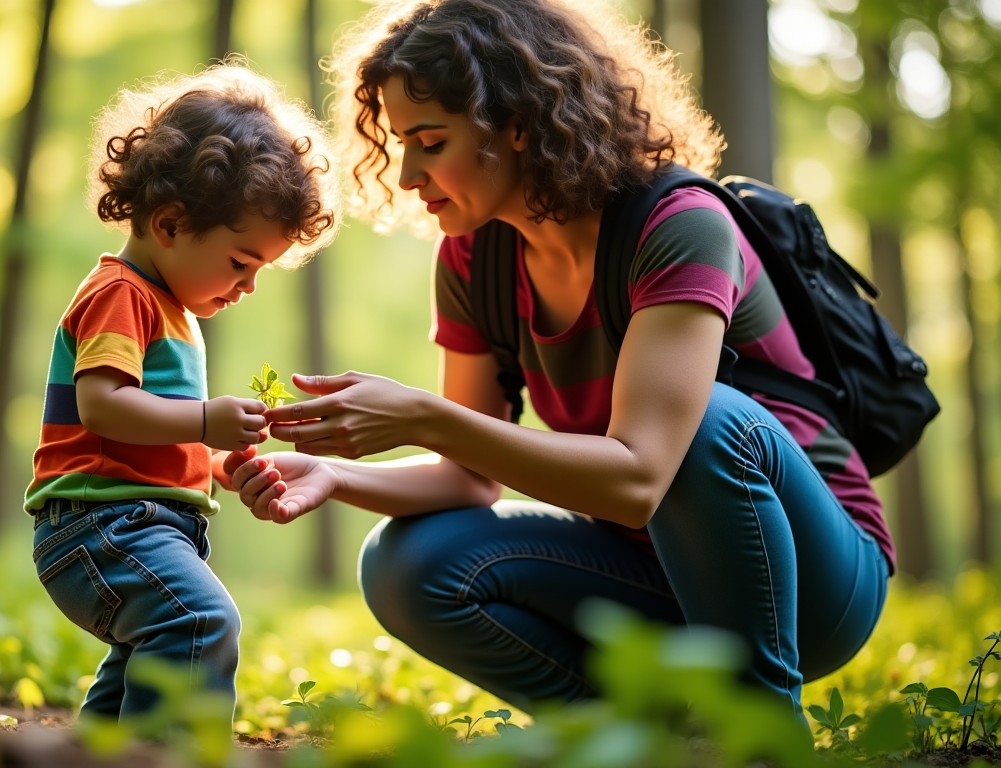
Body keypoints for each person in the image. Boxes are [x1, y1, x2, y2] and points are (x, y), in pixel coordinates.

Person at [228, 0, 891, 715]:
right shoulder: (474, 255)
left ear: (516, 125)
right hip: (648, 574)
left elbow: (640, 477)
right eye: (401, 142)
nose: (409, 173)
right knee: (405, 564)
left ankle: (759, 735)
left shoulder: (678, 226)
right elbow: (469, 476)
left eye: (430, 140)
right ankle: (631, 741)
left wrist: (422, 416)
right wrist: (331, 472)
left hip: (811, 585)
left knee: (706, 422)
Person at [25, 64, 339, 722]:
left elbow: (149, 439)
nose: (247, 286)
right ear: (169, 223)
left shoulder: (172, 311)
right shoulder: (121, 294)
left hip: (137, 524)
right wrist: (204, 421)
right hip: (101, 525)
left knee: (159, 655)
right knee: (199, 620)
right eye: (239, 263)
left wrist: (222, 466)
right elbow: (103, 408)